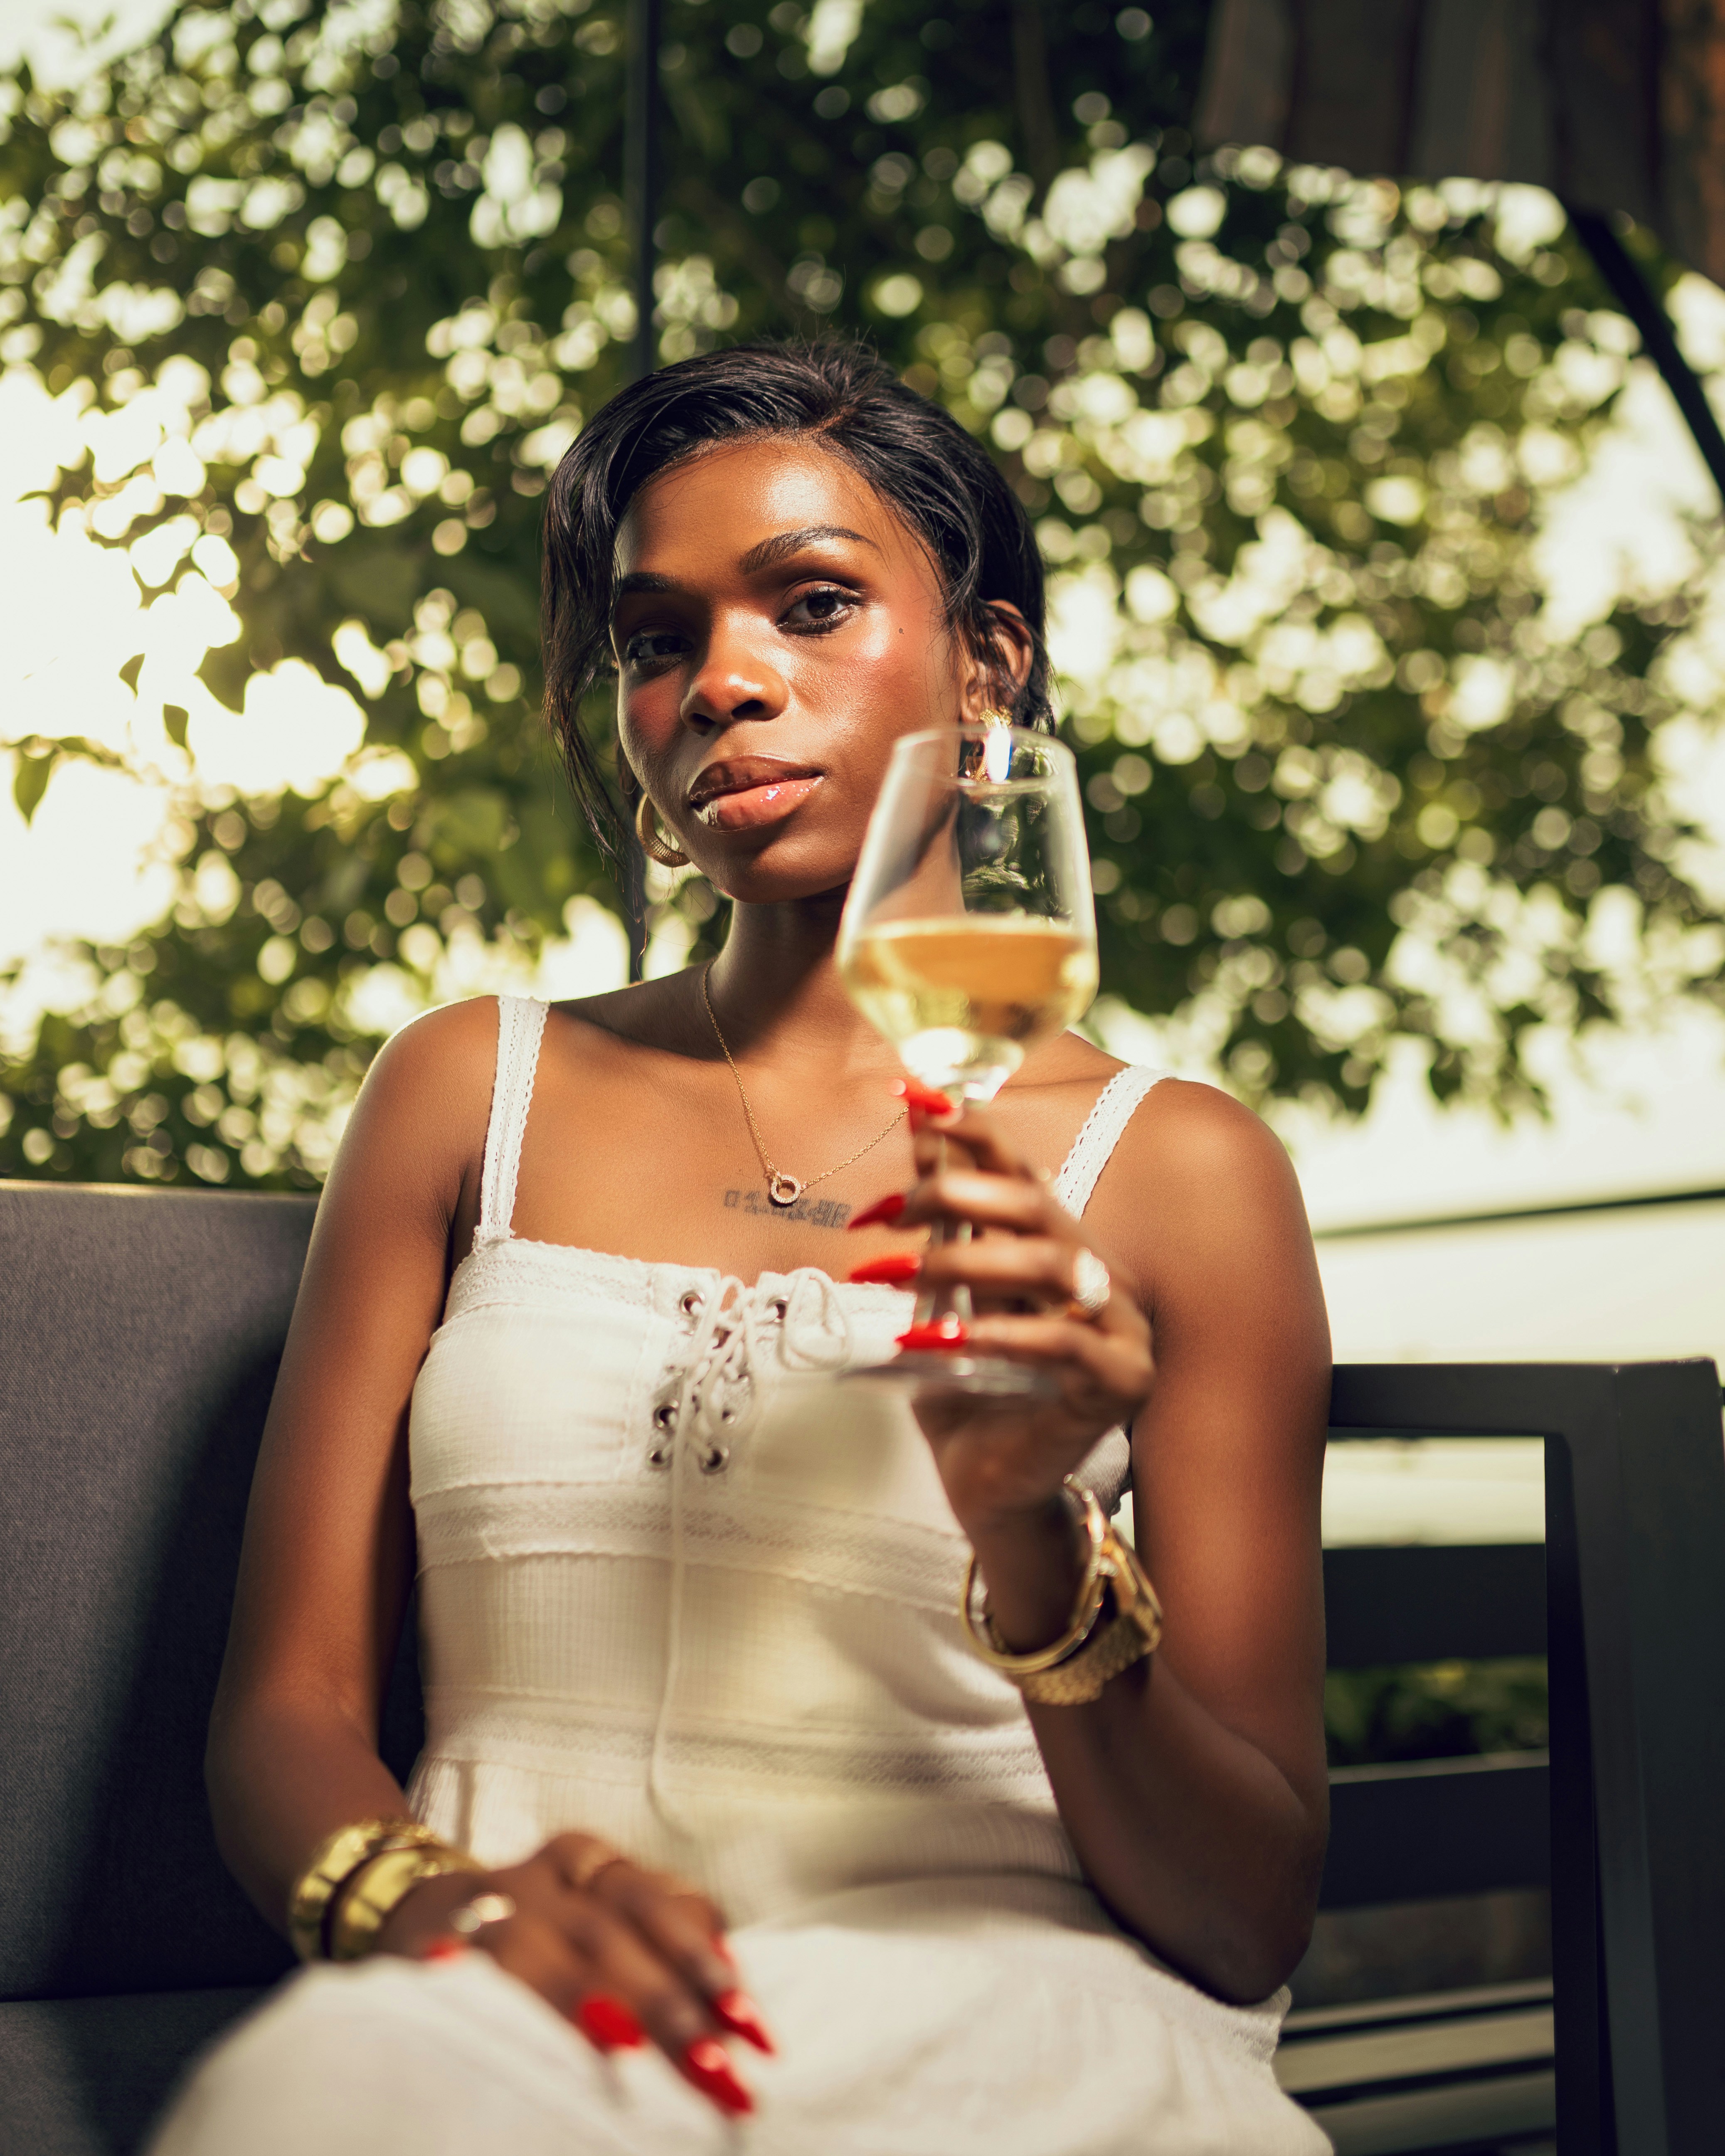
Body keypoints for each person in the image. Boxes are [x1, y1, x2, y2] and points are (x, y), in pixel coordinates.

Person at [151, 342, 1333, 2155]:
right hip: (526, 2024)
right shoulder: (469, 1090)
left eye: (814, 602)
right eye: (653, 637)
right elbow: (285, 1710)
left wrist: (1034, 1529)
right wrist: (445, 1917)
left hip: (1014, 2026)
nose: (724, 682)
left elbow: (1245, 1916)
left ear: (987, 666)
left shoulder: (1181, 1173)